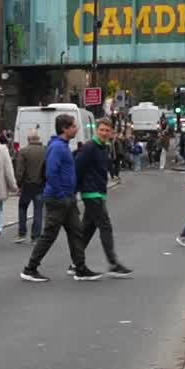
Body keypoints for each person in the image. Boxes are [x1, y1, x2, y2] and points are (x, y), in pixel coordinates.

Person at [21, 114, 101, 282]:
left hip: (67, 198)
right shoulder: (57, 147)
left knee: (76, 232)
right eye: (73, 126)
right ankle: (30, 268)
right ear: (64, 128)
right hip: (58, 199)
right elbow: (51, 172)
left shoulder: (63, 146)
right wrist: (61, 194)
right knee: (50, 234)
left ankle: (80, 268)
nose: (76, 129)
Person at [75, 118, 133, 278]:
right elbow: (77, 168)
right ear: (96, 130)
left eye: (107, 130)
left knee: (88, 228)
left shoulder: (103, 148)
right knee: (105, 226)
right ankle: (113, 263)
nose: (104, 133)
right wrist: (75, 191)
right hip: (91, 193)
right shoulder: (89, 147)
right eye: (101, 130)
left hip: (99, 191)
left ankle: (75, 262)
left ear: (111, 132)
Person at [13, 131, 46, 244]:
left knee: (22, 208)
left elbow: (19, 171)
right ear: (38, 139)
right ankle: (36, 236)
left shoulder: (23, 151)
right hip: (41, 185)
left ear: (28, 139)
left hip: (27, 185)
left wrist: (19, 184)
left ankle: (22, 234)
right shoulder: (45, 150)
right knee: (38, 210)